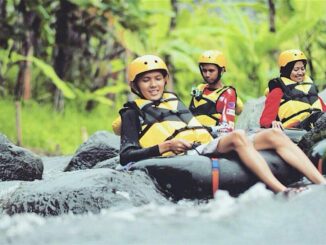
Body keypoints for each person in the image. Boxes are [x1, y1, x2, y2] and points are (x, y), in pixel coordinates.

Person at [119, 54, 326, 193]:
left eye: (157, 78)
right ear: (135, 85)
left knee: (274, 135)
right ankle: (282, 191)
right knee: (237, 137)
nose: (153, 84)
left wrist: (213, 130)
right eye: (146, 80)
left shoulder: (172, 100)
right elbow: (126, 155)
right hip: (185, 155)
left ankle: (320, 182)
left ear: (165, 80)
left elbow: (193, 126)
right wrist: (165, 146)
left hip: (205, 143)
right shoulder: (131, 112)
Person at [260, 49, 326, 130]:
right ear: (286, 70)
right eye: (296, 69)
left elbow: (323, 110)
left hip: (317, 123)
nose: (300, 73)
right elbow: (265, 120)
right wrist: (272, 122)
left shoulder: (308, 88)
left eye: (302, 68)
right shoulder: (278, 90)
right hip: (295, 129)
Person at [189, 50, 243, 136]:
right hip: (191, 135)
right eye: (204, 70)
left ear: (221, 71)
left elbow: (228, 128)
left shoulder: (228, 93)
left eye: (211, 71)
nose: (207, 74)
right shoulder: (199, 88)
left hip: (212, 139)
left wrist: (208, 129)